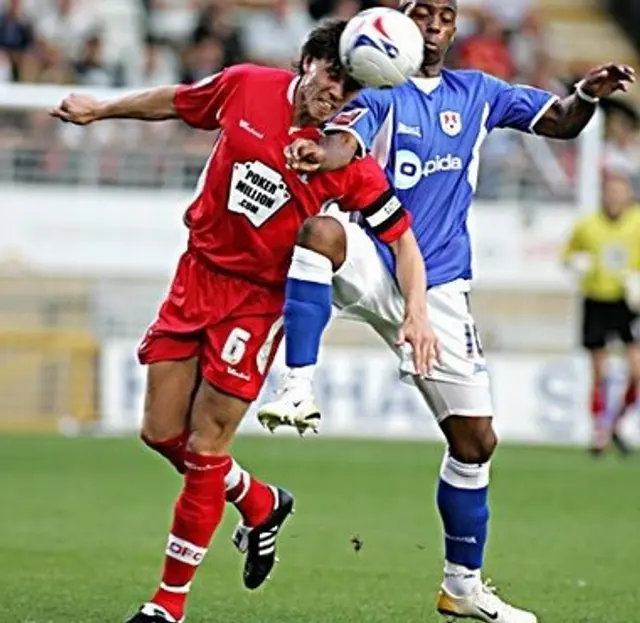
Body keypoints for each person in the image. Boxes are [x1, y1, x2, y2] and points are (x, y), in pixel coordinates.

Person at [256, 1, 636, 622]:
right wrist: (316, 156)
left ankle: (462, 586)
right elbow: (339, 143)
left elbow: (561, 121)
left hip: (439, 289)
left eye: (445, 15)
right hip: (376, 260)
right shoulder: (377, 89)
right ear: (399, 23)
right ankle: (296, 386)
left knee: (476, 441)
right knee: (321, 232)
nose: (434, 24)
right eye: (421, 12)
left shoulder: (479, 92)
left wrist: (587, 95)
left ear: (455, 28)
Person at [50, 18, 436, 623]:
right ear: (308, 62)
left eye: (350, 89)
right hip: (195, 275)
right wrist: (101, 110)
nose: (335, 91)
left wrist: (417, 310)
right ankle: (259, 501)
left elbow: (403, 239)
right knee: (159, 433)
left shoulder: (345, 160)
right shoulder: (246, 86)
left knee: (206, 448)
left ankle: (167, 606)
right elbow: (176, 102)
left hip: (257, 303)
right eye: (332, 74)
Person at [562, 173, 640, 456]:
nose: (615, 198)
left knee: (636, 371)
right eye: (611, 192)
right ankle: (600, 431)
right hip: (596, 300)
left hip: (626, 303)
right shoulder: (587, 226)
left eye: (620, 192)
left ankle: (616, 421)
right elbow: (568, 255)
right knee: (600, 371)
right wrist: (576, 264)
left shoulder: (637, 223)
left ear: (628, 195)